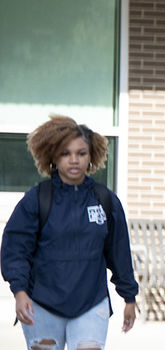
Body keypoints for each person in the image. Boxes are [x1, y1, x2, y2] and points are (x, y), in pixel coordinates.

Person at [2, 115, 139, 350]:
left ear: (91, 156)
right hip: (42, 304)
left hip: (91, 302)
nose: (74, 160)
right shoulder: (37, 199)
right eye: (66, 153)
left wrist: (129, 297)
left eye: (81, 153)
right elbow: (15, 250)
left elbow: (119, 252)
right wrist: (20, 291)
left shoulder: (105, 200)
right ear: (53, 156)